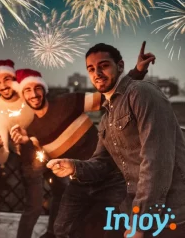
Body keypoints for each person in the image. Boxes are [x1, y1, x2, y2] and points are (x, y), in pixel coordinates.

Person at [9, 42, 156, 238]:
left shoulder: (68, 102)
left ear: (44, 89)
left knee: (108, 229)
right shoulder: (32, 129)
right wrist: (23, 142)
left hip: (108, 175)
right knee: (65, 229)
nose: (34, 94)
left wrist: (137, 71)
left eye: (37, 88)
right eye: (27, 90)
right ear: (23, 95)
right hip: (77, 182)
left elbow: (110, 97)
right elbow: (37, 163)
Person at [47, 43, 185, 238]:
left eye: (103, 65)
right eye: (91, 69)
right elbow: (102, 163)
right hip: (134, 211)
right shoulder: (107, 118)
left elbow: (157, 161)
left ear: (119, 66)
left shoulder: (141, 93)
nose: (97, 73)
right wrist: (73, 166)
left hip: (168, 214)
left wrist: (141, 222)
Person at [0, 59, 35, 164]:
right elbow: (1, 159)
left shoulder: (29, 95)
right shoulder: (0, 114)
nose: (3, 86)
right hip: (29, 161)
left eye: (7, 79)